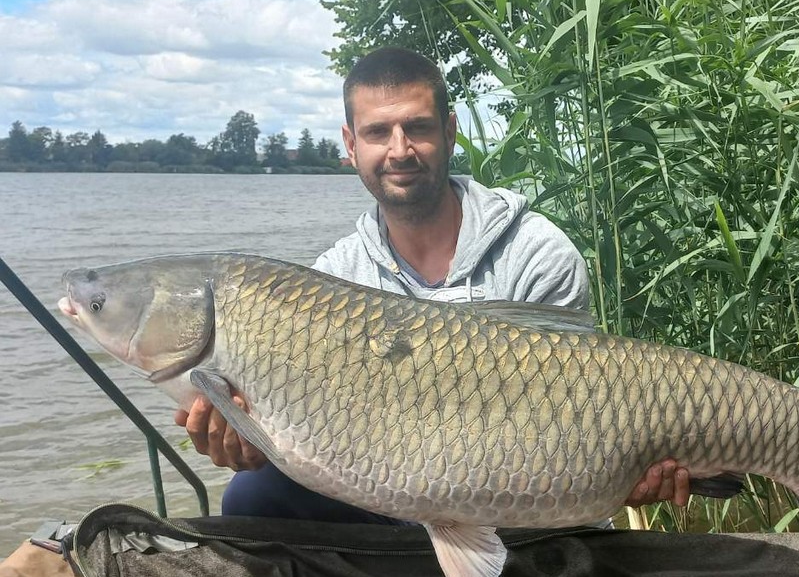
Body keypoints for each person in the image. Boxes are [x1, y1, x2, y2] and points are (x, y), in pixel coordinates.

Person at [174, 46, 690, 523]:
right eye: (378, 133)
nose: (399, 150)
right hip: (391, 497)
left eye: (417, 128)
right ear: (351, 145)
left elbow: (580, 415)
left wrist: (622, 470)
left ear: (450, 131)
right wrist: (254, 443)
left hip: (526, 499)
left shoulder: (535, 252)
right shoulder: (335, 276)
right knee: (251, 496)